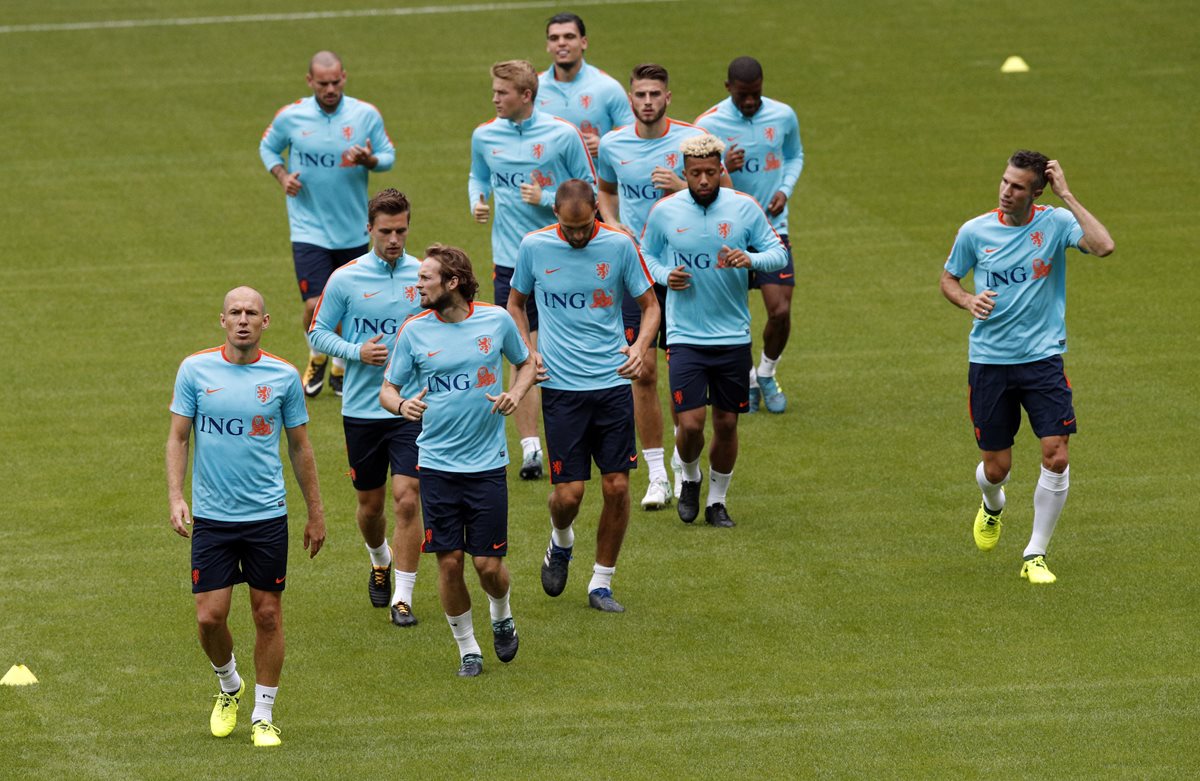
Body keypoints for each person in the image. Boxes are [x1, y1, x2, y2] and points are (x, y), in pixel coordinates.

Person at [941, 151, 1113, 584]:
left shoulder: (1054, 223)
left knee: (1056, 456)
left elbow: (1103, 245)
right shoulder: (974, 231)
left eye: (1017, 187)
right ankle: (992, 504)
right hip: (990, 363)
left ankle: (1035, 554)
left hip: (1042, 360)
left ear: (1037, 192)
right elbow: (949, 279)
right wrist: (967, 300)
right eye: (1004, 182)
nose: (1006, 191)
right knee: (996, 468)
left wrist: (1068, 196)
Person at [166, 287, 326, 747]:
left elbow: (300, 447)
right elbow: (178, 438)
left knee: (268, 615)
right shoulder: (195, 370)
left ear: (265, 321)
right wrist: (177, 496)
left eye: (250, 313)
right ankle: (229, 683)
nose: (242, 320)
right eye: (234, 312)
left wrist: (315, 513)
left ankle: (263, 714)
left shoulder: (283, 376)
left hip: (266, 517)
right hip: (213, 519)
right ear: (222, 320)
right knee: (209, 618)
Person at [380, 245, 537, 677]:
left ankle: (501, 612)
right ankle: (468, 648)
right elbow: (387, 389)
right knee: (449, 562)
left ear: (452, 283)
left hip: (486, 465)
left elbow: (527, 364)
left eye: (426, 279)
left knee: (488, 565)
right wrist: (401, 407)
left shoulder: (496, 320)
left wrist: (515, 395)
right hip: (435, 465)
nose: (418, 285)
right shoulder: (413, 331)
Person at [508, 180, 659, 612]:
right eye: (569, 228)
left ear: (596, 209)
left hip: (610, 384)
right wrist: (527, 352)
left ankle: (601, 582)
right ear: (554, 213)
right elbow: (516, 304)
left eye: (584, 226)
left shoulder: (618, 246)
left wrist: (640, 347)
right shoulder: (534, 246)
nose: (577, 236)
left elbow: (650, 305)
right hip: (560, 388)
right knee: (568, 495)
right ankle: (561, 540)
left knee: (616, 486)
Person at [640, 135, 787, 528]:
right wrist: (663, 275)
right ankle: (689, 476)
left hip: (733, 336)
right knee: (689, 425)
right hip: (685, 335)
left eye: (710, 172)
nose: (703, 180)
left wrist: (750, 258)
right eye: (695, 173)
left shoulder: (743, 208)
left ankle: (716, 502)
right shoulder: (666, 212)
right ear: (683, 173)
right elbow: (646, 253)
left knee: (726, 423)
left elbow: (779, 252)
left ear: (720, 170)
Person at [596, 62, 720, 511]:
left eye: (655, 95)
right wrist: (612, 226)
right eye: (640, 95)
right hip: (635, 270)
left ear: (668, 98)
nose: (647, 102)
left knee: (685, 369)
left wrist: (681, 188)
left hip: (686, 270)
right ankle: (656, 475)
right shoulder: (612, 143)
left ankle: (684, 457)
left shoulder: (691, 141)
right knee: (641, 370)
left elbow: (723, 188)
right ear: (630, 98)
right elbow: (605, 190)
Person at [469, 59, 595, 480]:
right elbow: (477, 175)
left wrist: (546, 199)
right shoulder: (485, 135)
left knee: (561, 347)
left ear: (526, 96)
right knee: (520, 352)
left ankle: (577, 431)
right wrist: (477, 199)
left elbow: (589, 190)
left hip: (560, 258)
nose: (494, 99)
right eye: (493, 92)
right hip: (509, 260)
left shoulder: (562, 134)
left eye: (501, 93)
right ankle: (529, 448)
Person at [307, 189, 423, 626]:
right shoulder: (345, 279)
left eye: (401, 230)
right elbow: (318, 333)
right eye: (386, 231)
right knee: (371, 507)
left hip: (412, 407)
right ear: (369, 230)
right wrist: (357, 351)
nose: (394, 239)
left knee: (408, 500)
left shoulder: (423, 275)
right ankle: (380, 559)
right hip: (361, 410)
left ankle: (404, 596)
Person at [259, 50, 396, 399]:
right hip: (309, 228)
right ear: (310, 82)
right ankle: (319, 356)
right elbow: (268, 148)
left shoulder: (365, 115)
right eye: (323, 83)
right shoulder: (292, 116)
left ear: (344, 77)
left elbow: (388, 156)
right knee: (313, 306)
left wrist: (371, 159)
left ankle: (339, 365)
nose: (331, 88)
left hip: (352, 229)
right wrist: (282, 175)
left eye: (336, 82)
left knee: (351, 307)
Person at [696, 56, 803, 414]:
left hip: (772, 227)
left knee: (780, 310)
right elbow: (697, 177)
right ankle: (749, 379)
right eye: (743, 95)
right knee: (730, 312)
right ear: (728, 88)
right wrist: (725, 169)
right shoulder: (709, 125)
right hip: (727, 231)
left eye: (756, 94)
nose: (750, 101)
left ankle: (767, 371)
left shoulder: (783, 115)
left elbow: (794, 155)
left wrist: (785, 189)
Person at [537, 12, 634, 158]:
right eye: (554, 38)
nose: (561, 43)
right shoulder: (533, 88)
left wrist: (604, 146)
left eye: (569, 36)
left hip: (594, 181)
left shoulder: (608, 87)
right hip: (549, 180)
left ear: (584, 42)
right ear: (548, 46)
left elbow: (634, 137)